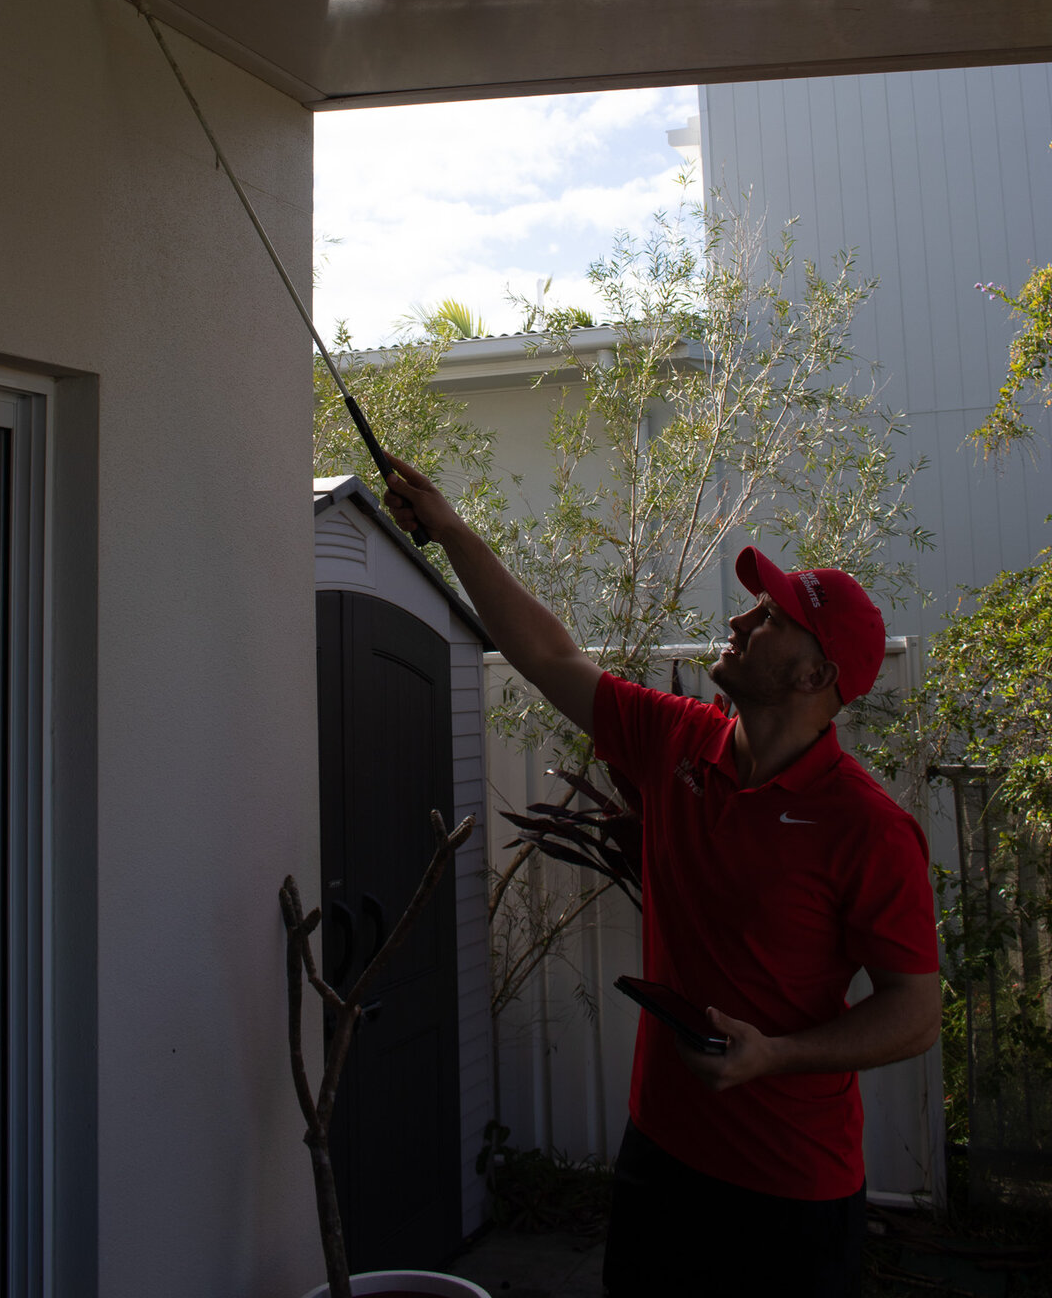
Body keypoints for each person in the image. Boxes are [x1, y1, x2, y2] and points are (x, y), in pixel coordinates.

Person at [383, 456, 941, 1298]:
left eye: (771, 617)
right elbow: (549, 656)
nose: (741, 619)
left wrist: (776, 1056)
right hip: (661, 1153)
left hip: (791, 1187)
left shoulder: (867, 828)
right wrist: (452, 530)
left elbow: (915, 1014)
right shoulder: (676, 740)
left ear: (815, 676)